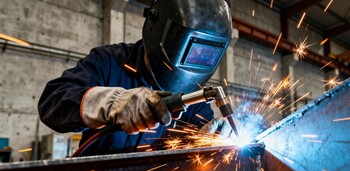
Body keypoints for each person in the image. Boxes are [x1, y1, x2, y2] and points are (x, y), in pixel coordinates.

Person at [38, 0, 233, 156]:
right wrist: (111, 104)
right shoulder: (109, 62)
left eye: (204, 54)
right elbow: (52, 102)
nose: (195, 59)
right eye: (194, 50)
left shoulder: (192, 90)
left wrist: (212, 136)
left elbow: (197, 137)